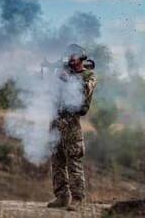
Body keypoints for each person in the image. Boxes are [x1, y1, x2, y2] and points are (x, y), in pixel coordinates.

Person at [47, 44, 97, 211]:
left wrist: (68, 80)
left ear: (81, 57)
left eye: (73, 56)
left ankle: (77, 198)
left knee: (73, 160)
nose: (70, 59)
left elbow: (84, 92)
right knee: (57, 160)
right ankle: (61, 196)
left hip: (71, 123)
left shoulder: (89, 75)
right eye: (69, 56)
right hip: (56, 120)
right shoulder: (63, 73)